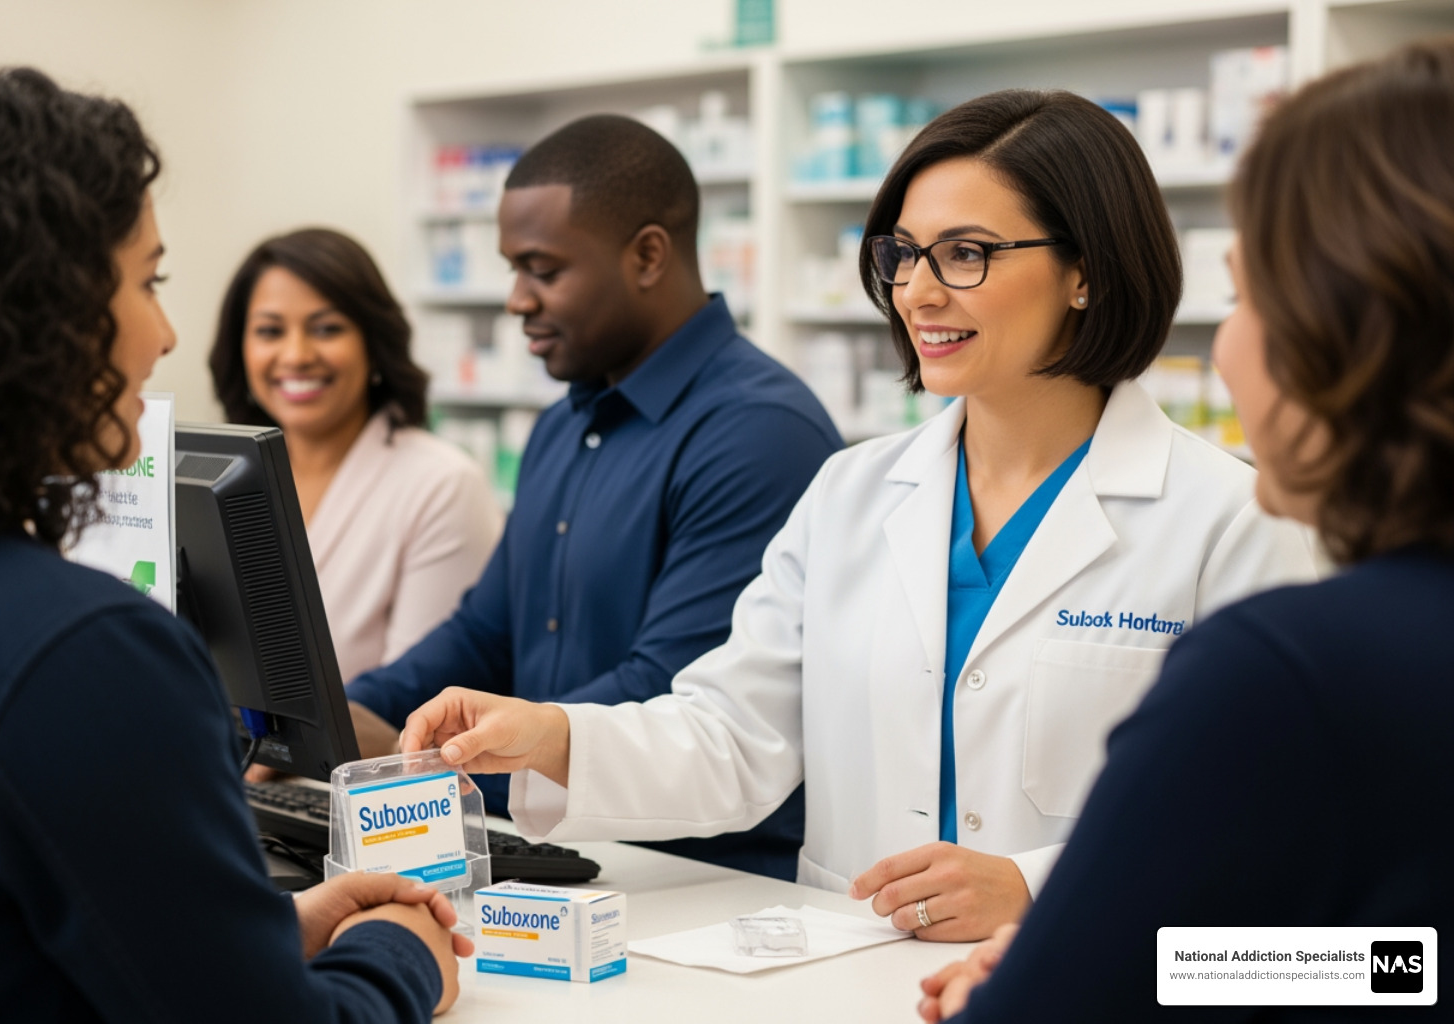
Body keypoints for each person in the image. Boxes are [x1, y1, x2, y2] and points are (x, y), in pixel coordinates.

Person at [395, 89, 1321, 942]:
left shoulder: (1230, 522)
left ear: (1087, 272)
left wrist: (1037, 888)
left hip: (1085, 976)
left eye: (967, 253)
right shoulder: (851, 493)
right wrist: (553, 736)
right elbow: (736, 735)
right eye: (902, 253)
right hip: (851, 974)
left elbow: (1272, 824)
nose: (917, 291)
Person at [0, 61, 469, 1021]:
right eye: (146, 280)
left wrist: (255, 925)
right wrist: (401, 950)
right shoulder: (80, 658)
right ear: (39, 309)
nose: (165, 333)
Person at [918, 39, 1454, 1022]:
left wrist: (1065, 957)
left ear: (1359, 329)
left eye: (1251, 296)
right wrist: (1139, 957)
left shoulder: (1288, 668)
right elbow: (1404, 964)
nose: (1219, 351)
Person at [345, 114, 844, 880]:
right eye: (513, 269)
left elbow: (670, 690)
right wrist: (342, 718)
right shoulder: (563, 425)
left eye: (542, 270)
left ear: (648, 254)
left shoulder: (756, 432)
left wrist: (433, 759)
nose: (516, 300)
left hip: (701, 878)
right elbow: (486, 634)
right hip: (554, 848)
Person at [209, 228, 502, 684]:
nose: (297, 355)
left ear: (374, 343)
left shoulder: (442, 485)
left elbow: (421, 706)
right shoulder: (220, 478)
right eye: (270, 331)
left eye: (327, 329)